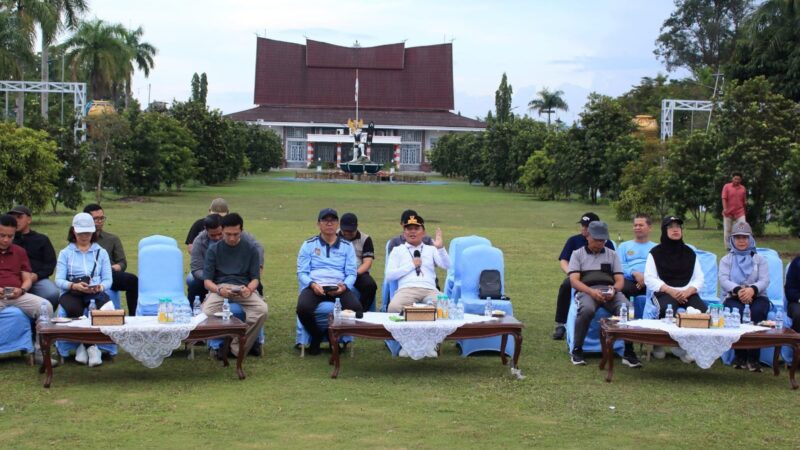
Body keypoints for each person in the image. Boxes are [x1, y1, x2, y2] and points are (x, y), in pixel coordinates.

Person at [568, 221, 641, 367]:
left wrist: (614, 290)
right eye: (597, 240)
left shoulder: (612, 254)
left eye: (603, 240)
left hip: (609, 291)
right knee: (587, 309)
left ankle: (628, 351)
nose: (600, 243)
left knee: (627, 309)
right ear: (588, 236)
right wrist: (591, 292)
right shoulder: (577, 254)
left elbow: (620, 280)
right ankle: (577, 349)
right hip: (587, 290)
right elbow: (574, 281)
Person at [296, 208, 362, 355]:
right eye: (325, 220)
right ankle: (316, 335)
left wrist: (344, 286)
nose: (329, 223)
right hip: (316, 285)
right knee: (302, 309)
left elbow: (351, 273)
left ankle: (332, 335)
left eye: (332, 220)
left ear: (337, 224)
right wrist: (312, 284)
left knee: (356, 309)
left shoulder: (346, 246)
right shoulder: (309, 245)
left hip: (339, 286)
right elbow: (302, 272)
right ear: (318, 224)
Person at [201, 213, 268, 358]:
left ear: (242, 231)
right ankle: (219, 343)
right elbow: (207, 281)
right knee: (205, 312)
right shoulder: (214, 250)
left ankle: (237, 347)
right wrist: (219, 290)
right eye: (228, 234)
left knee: (262, 310)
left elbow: (256, 278)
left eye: (236, 234)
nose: (232, 238)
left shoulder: (251, 249)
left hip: (244, 287)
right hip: (221, 287)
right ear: (222, 231)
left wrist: (249, 289)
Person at [54, 212, 113, 366]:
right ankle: (91, 347)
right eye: (81, 232)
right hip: (72, 292)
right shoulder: (65, 253)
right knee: (74, 308)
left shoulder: (101, 252)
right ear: (74, 231)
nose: (84, 236)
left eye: (87, 232)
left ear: (93, 232)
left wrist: (99, 286)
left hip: (95, 291)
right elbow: (59, 280)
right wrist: (73, 285)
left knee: (106, 307)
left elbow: (108, 280)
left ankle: (83, 346)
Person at [552, 212, 615, 340]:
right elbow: (564, 260)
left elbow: (613, 264)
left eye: (587, 226)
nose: (583, 229)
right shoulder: (573, 240)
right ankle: (561, 323)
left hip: (600, 278)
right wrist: (571, 273)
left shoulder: (606, 243)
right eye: (582, 225)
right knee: (566, 286)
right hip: (577, 276)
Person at [719, 221, 770, 372]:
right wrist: (739, 290)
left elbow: (765, 280)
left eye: (745, 237)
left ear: (751, 239)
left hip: (758, 296)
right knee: (736, 314)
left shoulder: (760, 259)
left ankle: (754, 358)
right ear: (732, 240)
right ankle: (740, 356)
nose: (741, 241)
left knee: (757, 313)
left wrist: (752, 289)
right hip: (734, 296)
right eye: (738, 237)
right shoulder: (726, 259)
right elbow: (723, 279)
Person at [188, 213, 264, 303]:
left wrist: (259, 266)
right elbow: (196, 268)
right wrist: (212, 277)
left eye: (220, 234)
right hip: (209, 274)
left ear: (223, 228)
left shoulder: (235, 234)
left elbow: (257, 247)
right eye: (212, 235)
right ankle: (194, 310)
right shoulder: (199, 241)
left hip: (238, 275)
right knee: (195, 285)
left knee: (256, 284)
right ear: (206, 230)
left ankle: (257, 304)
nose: (217, 237)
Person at [385, 213, 450, 313]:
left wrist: (440, 248)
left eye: (416, 228)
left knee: (446, 308)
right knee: (393, 308)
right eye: (409, 229)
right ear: (404, 233)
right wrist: (412, 265)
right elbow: (389, 276)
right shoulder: (397, 250)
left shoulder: (431, 249)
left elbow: (447, 266)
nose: (412, 232)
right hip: (407, 290)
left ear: (423, 232)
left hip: (430, 290)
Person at [645, 216, 707, 316]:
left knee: (703, 313)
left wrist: (687, 292)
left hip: (687, 293)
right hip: (664, 293)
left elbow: (699, 278)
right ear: (664, 230)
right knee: (666, 312)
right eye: (670, 227)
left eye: (678, 226)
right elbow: (649, 278)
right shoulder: (655, 253)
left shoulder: (690, 253)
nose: (675, 229)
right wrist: (670, 291)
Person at [83, 204, 139, 315]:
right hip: (86, 275)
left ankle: (133, 316)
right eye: (96, 219)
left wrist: (116, 267)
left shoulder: (112, 239)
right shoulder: (81, 239)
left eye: (102, 218)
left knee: (132, 280)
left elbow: (122, 262)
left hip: (108, 274)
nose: (100, 221)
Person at [8, 205, 59, 309]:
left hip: (37, 280)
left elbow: (50, 264)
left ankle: (45, 318)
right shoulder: (7, 240)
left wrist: (36, 275)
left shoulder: (41, 239)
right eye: (13, 218)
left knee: (52, 293)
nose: (16, 220)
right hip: (13, 280)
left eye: (19, 217)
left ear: (29, 219)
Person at [338, 212, 377, 312]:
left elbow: (367, 262)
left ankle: (361, 311)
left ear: (357, 227)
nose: (347, 234)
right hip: (337, 271)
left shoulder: (365, 239)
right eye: (345, 231)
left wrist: (354, 274)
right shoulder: (334, 236)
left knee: (370, 286)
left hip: (358, 272)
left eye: (350, 232)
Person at [618, 214, 657, 298]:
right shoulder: (623, 246)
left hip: (651, 279)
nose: (637, 227)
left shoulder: (656, 248)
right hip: (629, 279)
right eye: (635, 225)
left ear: (650, 228)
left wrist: (645, 277)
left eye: (641, 225)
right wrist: (634, 273)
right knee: (624, 289)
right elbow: (619, 266)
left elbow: (660, 267)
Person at [722, 172, 747, 250]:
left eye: (738, 179)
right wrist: (725, 209)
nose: (736, 180)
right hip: (728, 212)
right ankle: (728, 247)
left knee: (742, 228)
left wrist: (745, 204)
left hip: (740, 212)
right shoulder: (727, 186)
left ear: (741, 180)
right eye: (735, 178)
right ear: (732, 178)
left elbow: (744, 200)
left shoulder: (743, 188)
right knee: (728, 230)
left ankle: (740, 245)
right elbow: (724, 198)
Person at [785, 256, 800, 334]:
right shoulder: (796, 263)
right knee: (798, 314)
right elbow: (789, 290)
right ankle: (797, 342)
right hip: (797, 301)